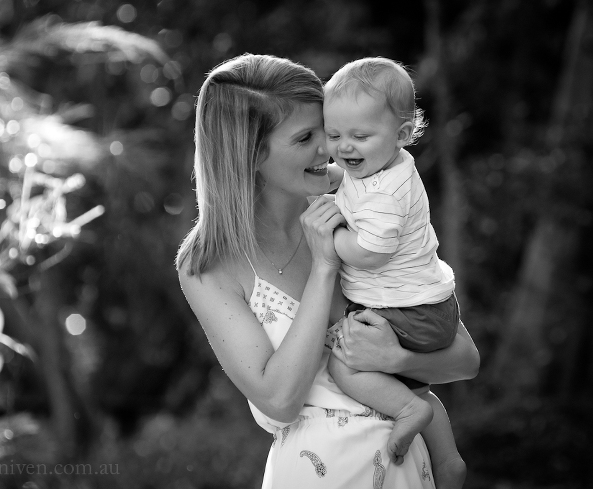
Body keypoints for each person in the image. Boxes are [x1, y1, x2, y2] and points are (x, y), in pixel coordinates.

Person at [176, 53, 479, 488]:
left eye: (327, 128)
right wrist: (324, 267)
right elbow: (279, 401)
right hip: (320, 472)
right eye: (305, 138)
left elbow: (465, 360)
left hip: (409, 466)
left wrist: (399, 359)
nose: (330, 148)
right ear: (250, 154)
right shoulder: (208, 264)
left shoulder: (366, 200)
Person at [323, 56, 466, 488]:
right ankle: (448, 459)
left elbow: (369, 252)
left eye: (359, 136)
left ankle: (409, 412)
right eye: (334, 135)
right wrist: (326, 177)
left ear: (403, 134)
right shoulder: (385, 165)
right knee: (415, 386)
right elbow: (350, 182)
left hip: (407, 312)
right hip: (430, 304)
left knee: (345, 364)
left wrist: (331, 236)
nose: (345, 147)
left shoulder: (387, 193)